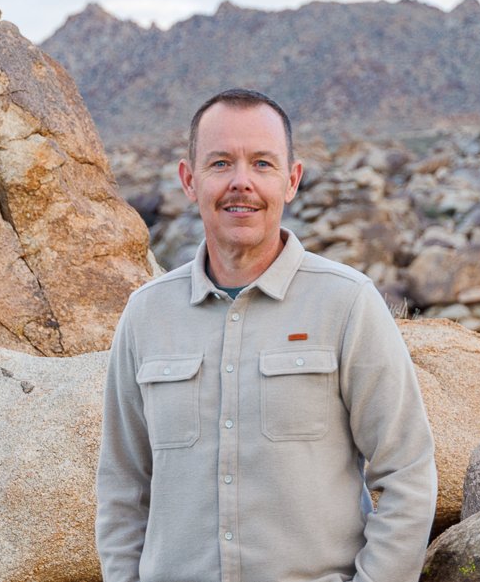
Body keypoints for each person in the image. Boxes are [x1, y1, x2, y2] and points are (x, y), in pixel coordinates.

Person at [96, 88, 437, 582]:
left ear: (291, 180)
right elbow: (122, 488)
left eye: (261, 163)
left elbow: (407, 469)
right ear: (189, 180)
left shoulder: (347, 304)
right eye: (220, 163)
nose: (241, 183)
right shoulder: (146, 316)